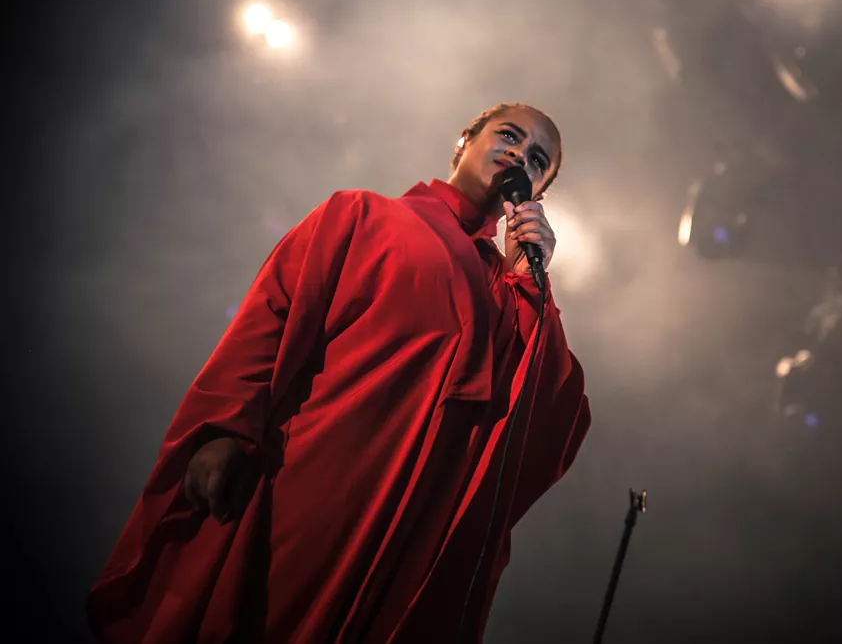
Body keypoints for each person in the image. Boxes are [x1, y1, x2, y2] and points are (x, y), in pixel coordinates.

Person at [86, 102, 592, 643]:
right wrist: (224, 429)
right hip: (313, 477)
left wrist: (531, 284)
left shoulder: (514, 295)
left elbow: (551, 419)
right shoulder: (364, 215)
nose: (520, 154)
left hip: (412, 521)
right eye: (509, 135)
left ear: (537, 193)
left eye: (539, 160)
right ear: (463, 142)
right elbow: (272, 316)